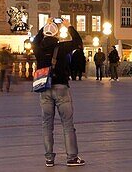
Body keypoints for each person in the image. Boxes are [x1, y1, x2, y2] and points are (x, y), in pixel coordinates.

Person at [31, 19, 85, 167]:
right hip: (61, 87)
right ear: (56, 34)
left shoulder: (38, 48)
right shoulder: (62, 47)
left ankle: (49, 158)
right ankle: (72, 157)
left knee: (47, 124)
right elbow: (78, 41)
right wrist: (68, 26)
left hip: (44, 89)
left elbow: (35, 40)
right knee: (67, 124)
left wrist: (45, 25)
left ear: (45, 33)